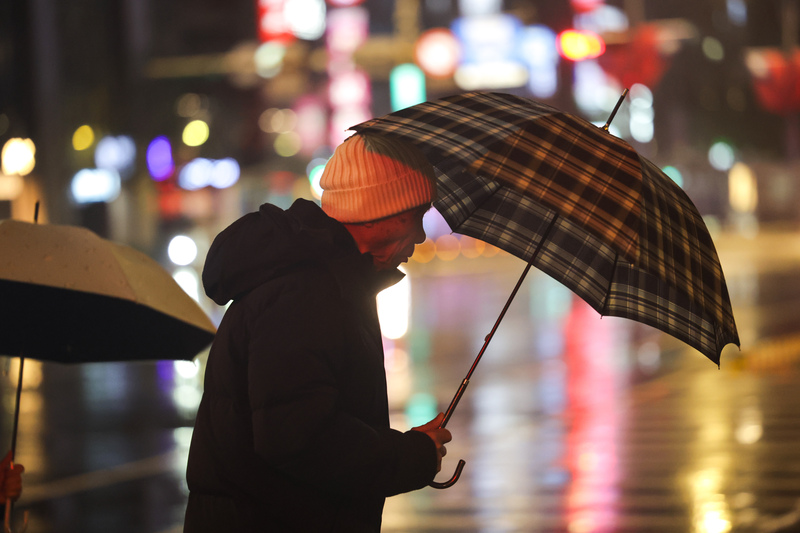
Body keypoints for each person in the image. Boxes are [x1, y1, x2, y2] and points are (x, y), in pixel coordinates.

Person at [184, 133, 452, 532]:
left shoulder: (327, 278)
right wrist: (409, 457)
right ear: (385, 212)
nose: (419, 235)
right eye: (416, 217)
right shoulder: (305, 292)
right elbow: (299, 438)